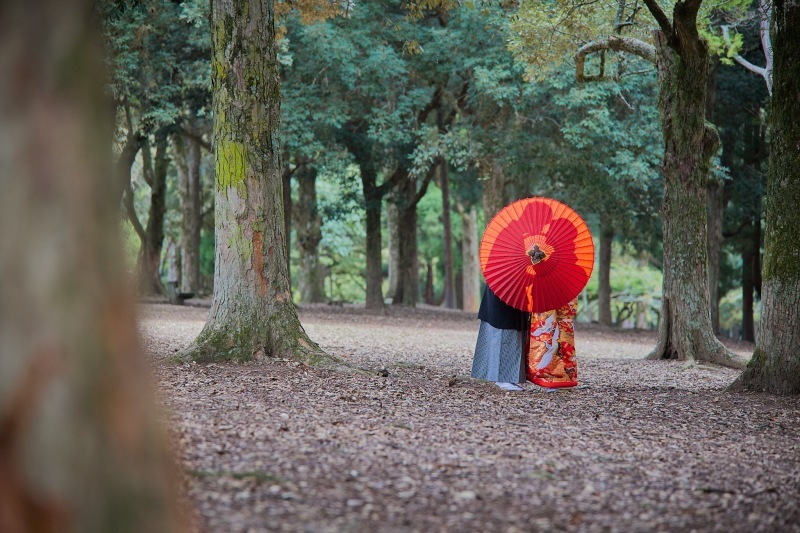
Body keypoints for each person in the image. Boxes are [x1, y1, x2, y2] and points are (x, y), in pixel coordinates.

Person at [471, 285, 530, 391]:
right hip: (503, 294)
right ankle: (502, 379)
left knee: (512, 339)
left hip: (513, 294)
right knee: (502, 338)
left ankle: (508, 378)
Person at [526, 298, 579, 388]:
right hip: (564, 290)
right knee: (561, 325)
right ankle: (565, 375)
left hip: (547, 290)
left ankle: (551, 375)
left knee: (547, 323)